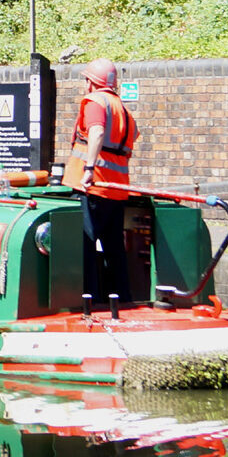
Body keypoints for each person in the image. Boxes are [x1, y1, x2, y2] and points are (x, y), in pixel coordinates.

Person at [70, 57, 141, 310]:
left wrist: (88, 168)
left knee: (86, 247)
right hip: (116, 188)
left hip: (93, 186)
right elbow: (131, 136)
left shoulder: (95, 102)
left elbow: (97, 132)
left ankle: (89, 301)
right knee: (114, 250)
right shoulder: (122, 109)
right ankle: (123, 299)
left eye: (87, 79)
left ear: (92, 82)